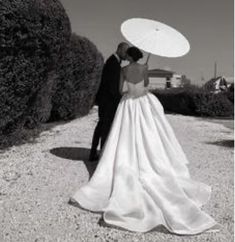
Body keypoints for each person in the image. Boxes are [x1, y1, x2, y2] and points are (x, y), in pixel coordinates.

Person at [70, 47, 219, 234]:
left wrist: (130, 87)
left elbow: (120, 89)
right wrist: (143, 74)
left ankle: (128, 158)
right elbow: (146, 86)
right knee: (149, 133)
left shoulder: (124, 69)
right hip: (144, 102)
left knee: (124, 134)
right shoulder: (144, 69)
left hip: (129, 103)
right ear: (139, 57)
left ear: (129, 56)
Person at [89, 42, 129, 161]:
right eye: (126, 52)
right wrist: (120, 99)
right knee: (105, 127)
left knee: (101, 126)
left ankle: (95, 152)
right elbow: (112, 87)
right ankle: (101, 154)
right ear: (120, 49)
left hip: (105, 101)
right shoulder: (113, 63)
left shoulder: (113, 62)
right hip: (108, 102)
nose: (127, 55)